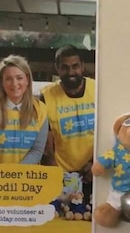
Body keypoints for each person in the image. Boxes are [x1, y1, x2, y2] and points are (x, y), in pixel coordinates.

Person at [40, 45, 96, 203]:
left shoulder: (98, 90)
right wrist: (56, 174)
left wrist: (95, 163)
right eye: (64, 67)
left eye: (75, 66)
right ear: (57, 69)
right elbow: (46, 143)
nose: (71, 72)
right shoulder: (46, 96)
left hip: (94, 172)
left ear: (82, 67)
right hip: (62, 176)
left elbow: (108, 131)